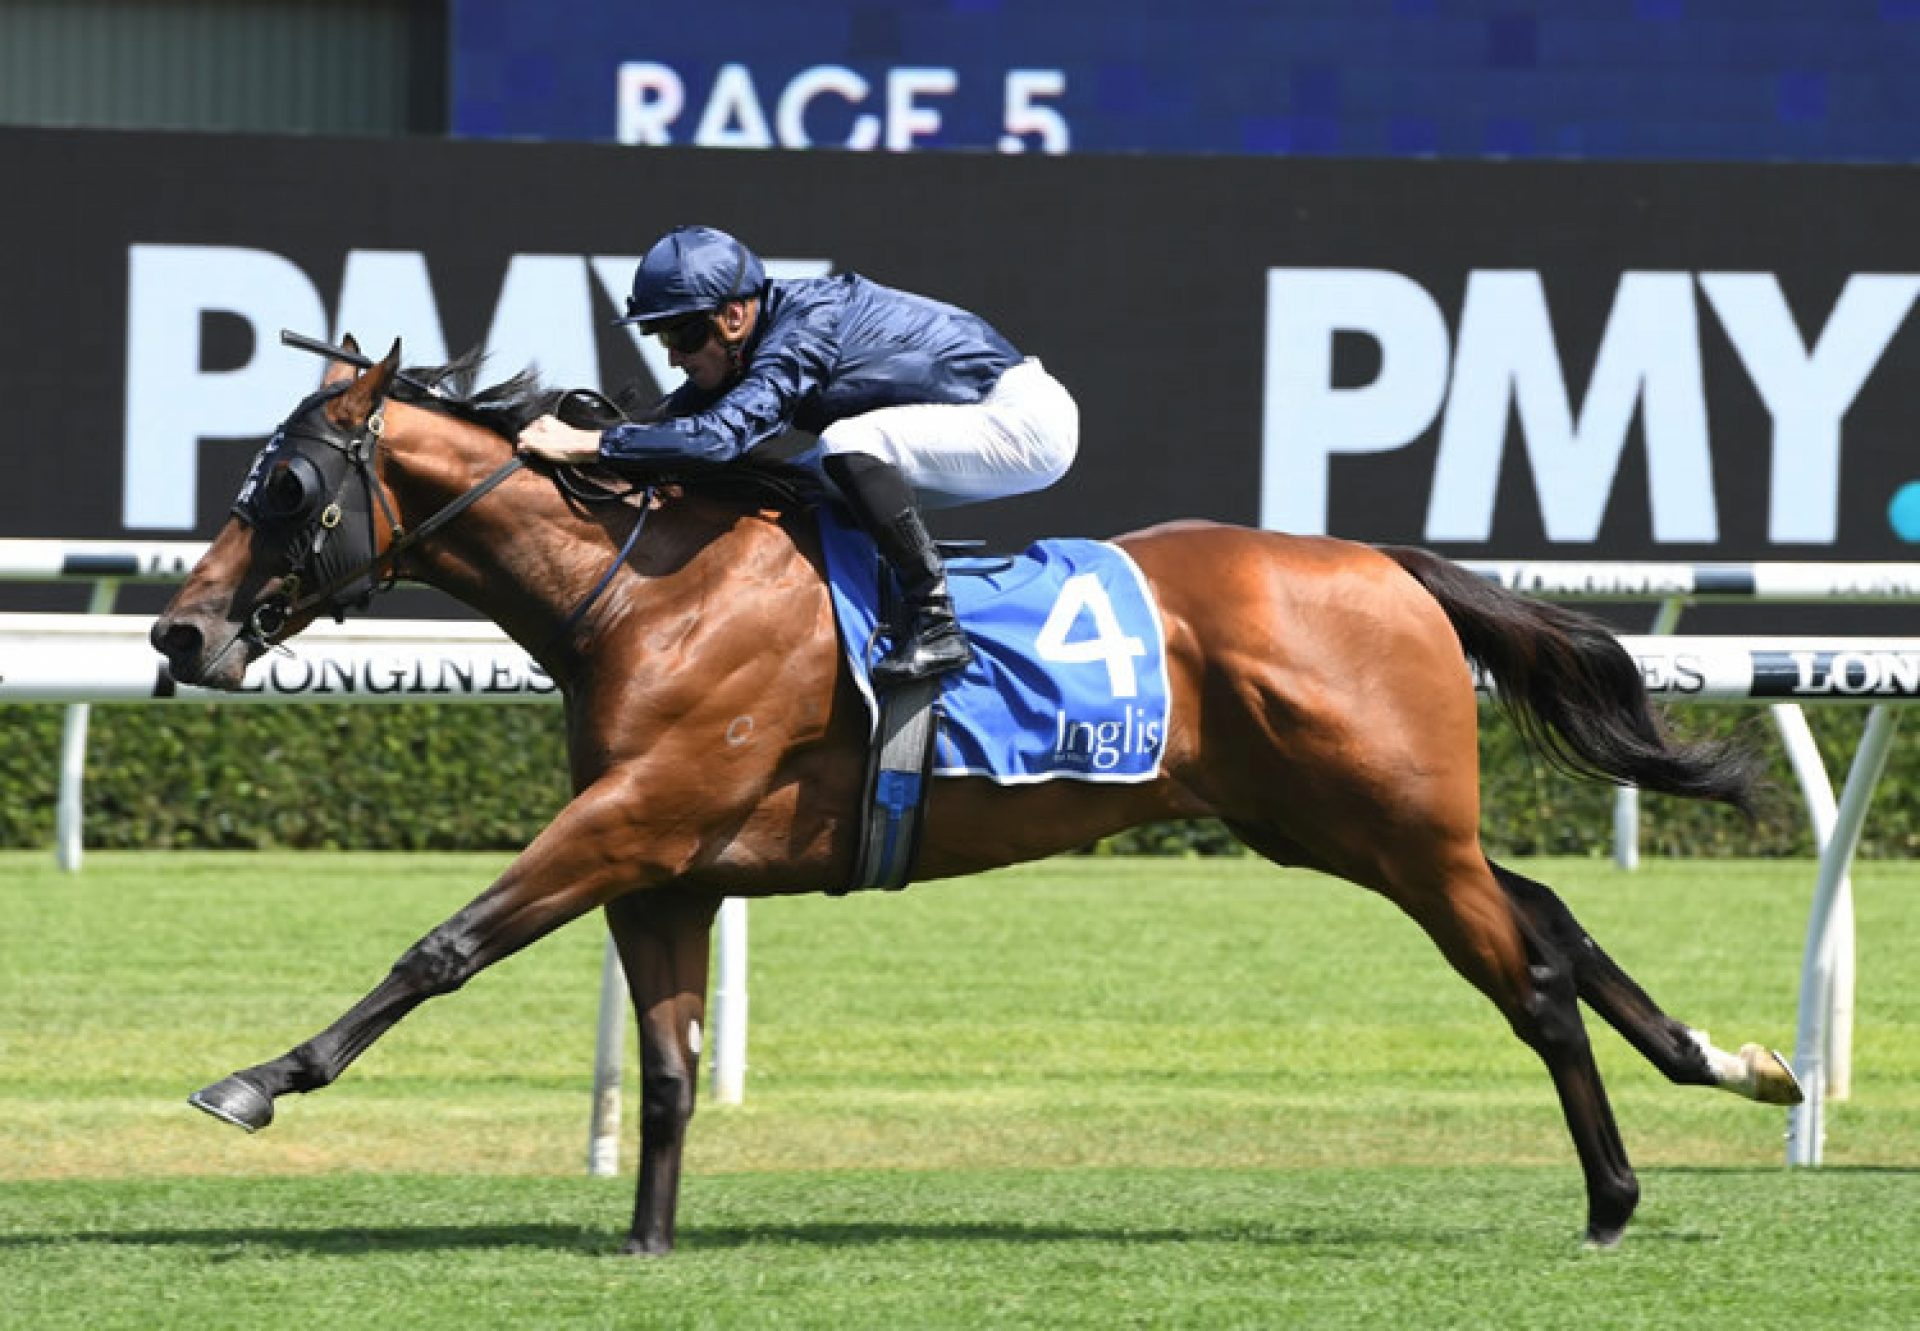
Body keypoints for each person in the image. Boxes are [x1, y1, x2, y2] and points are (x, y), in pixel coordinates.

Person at [518, 224, 1079, 687]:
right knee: (793, 486)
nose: (673, 358)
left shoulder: (806, 328)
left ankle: (938, 625)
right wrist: (581, 442)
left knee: (847, 447)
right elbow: (673, 423)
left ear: (733, 317)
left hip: (1024, 422)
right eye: (661, 341)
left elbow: (715, 439)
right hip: (981, 419)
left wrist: (592, 445)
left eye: (681, 338)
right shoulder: (757, 334)